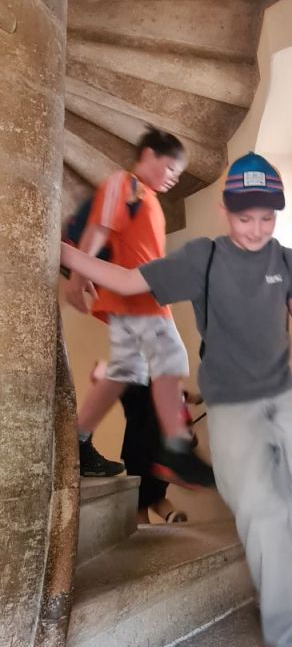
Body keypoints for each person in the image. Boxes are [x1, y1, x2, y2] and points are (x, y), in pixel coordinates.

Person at [60, 152, 292, 647]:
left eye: (266, 218)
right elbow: (128, 281)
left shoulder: (286, 260)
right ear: (228, 212)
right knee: (263, 516)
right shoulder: (202, 258)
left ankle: (278, 580)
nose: (256, 229)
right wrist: (64, 252)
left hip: (283, 398)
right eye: (245, 217)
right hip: (231, 411)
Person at [65, 127, 214, 490]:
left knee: (125, 371)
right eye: (171, 168)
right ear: (148, 155)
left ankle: (77, 442)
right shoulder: (127, 184)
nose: (174, 178)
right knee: (171, 355)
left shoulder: (150, 200)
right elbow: (100, 228)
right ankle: (176, 450)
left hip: (144, 298)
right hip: (136, 298)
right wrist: (77, 276)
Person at [90, 362, 191, 526]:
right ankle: (172, 515)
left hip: (137, 450)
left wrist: (102, 372)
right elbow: (183, 396)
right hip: (162, 449)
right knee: (157, 496)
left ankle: (147, 532)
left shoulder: (130, 383)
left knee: (139, 503)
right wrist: (197, 399)